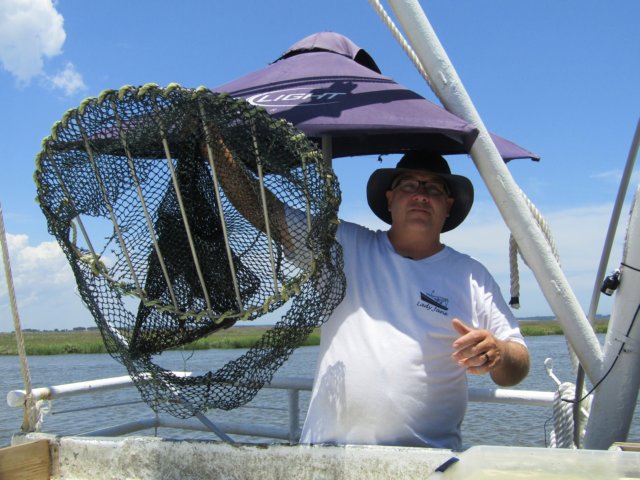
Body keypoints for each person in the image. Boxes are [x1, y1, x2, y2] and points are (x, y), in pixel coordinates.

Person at [212, 144, 529, 451]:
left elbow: (518, 365)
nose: (421, 194)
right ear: (390, 199)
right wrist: (214, 148)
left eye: (434, 189)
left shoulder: (472, 276)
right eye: (409, 185)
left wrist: (498, 353)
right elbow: (266, 212)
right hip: (328, 455)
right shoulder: (344, 246)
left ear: (448, 205)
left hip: (430, 460)